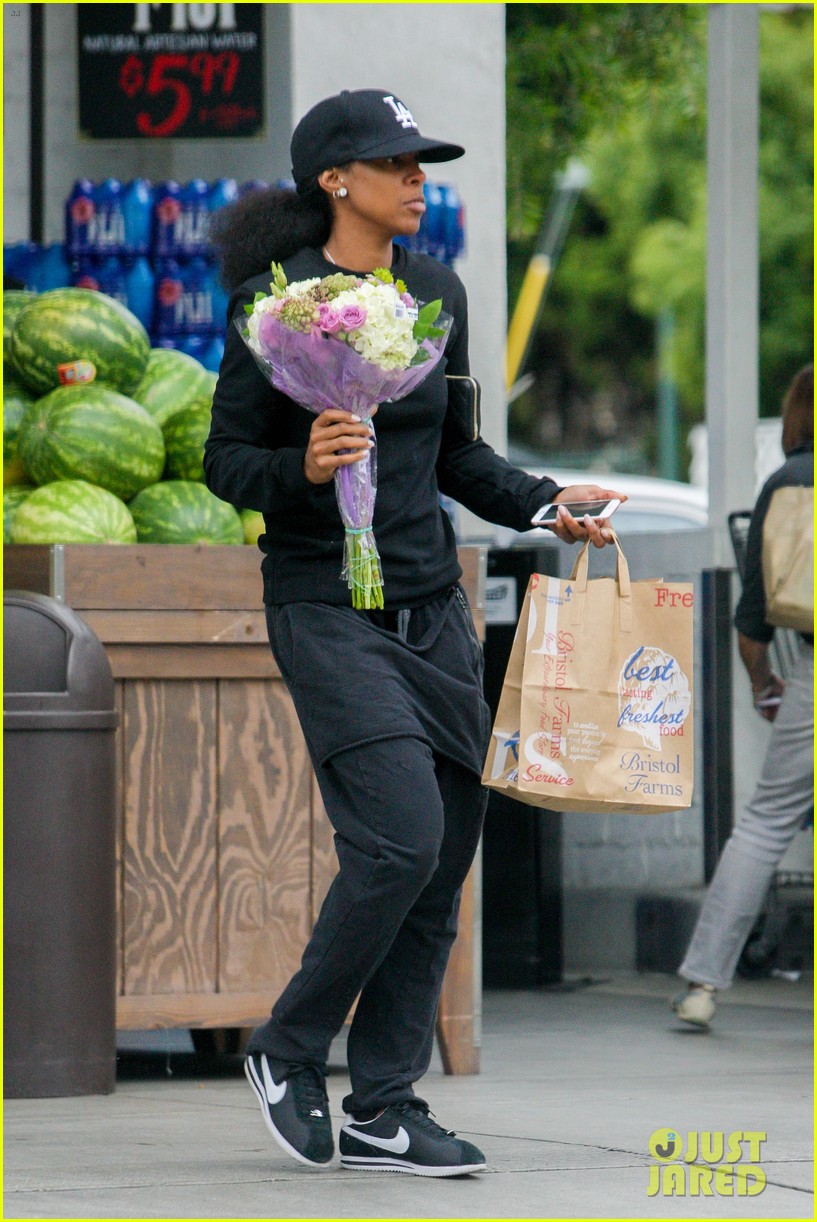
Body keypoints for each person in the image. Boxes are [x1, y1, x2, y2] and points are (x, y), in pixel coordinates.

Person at [204, 87, 623, 1176]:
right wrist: (299, 470)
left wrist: (542, 503)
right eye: (396, 164)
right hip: (323, 607)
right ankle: (290, 1048)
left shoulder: (435, 292)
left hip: (432, 607)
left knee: (443, 859)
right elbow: (224, 462)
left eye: (422, 164)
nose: (417, 180)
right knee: (398, 838)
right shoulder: (274, 301)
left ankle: (383, 1104)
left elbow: (459, 456)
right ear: (334, 179)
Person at [672, 364, 814, 1027]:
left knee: (765, 822)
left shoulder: (787, 483)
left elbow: (753, 620)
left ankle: (702, 986)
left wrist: (763, 685)